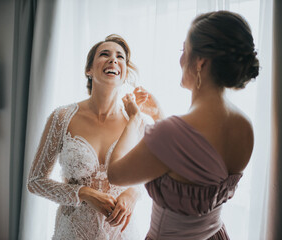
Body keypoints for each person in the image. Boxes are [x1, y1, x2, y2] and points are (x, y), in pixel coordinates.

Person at [107, 11, 259, 240]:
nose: (180, 60)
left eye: (184, 50)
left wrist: (135, 120)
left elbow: (115, 174)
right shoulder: (245, 126)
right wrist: (159, 116)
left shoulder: (170, 134)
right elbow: (191, 164)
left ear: (201, 63)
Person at [27, 34, 149, 240]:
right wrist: (83, 193)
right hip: (73, 232)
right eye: (105, 54)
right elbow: (35, 181)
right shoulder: (62, 117)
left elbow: (150, 176)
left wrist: (132, 194)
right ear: (89, 70)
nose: (114, 60)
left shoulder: (135, 121)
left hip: (120, 233)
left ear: (125, 72)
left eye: (120, 57)